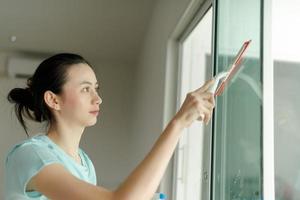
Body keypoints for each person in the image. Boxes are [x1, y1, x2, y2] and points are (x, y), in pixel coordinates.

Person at [5, 53, 215, 200]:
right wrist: (177, 124)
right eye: (86, 89)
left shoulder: (84, 164)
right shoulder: (32, 155)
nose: (98, 99)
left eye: (96, 88)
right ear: (53, 100)